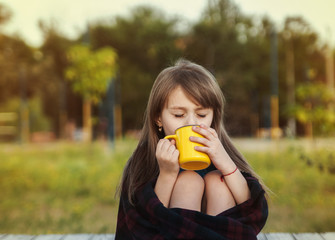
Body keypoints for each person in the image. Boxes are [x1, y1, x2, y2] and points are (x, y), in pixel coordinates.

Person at [115, 59, 268, 240]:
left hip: (222, 233)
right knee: (189, 181)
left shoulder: (222, 151)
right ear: (158, 117)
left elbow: (250, 207)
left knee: (217, 181)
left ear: (214, 115)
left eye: (202, 114)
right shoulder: (144, 159)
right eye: (178, 115)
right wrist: (167, 174)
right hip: (166, 233)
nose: (191, 123)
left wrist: (226, 164)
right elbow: (148, 220)